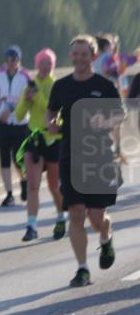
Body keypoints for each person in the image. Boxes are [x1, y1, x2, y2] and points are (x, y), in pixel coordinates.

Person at [46, 35, 125, 287]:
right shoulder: (61, 86)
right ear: (71, 56)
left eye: (84, 54)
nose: (79, 59)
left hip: (99, 155)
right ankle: (82, 269)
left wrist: (106, 121)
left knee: (96, 218)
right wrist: (51, 123)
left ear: (93, 56)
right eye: (75, 54)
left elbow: (120, 113)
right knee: (76, 213)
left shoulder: (104, 85)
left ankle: (105, 237)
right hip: (70, 156)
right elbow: (52, 110)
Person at [14, 48, 65, 241]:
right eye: (42, 63)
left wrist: (37, 97)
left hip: (53, 138)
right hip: (34, 138)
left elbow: (53, 110)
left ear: (53, 65)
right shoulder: (31, 85)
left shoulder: (57, 86)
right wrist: (26, 100)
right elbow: (19, 115)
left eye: (49, 64)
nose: (45, 67)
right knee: (32, 184)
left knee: (54, 186)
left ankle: (61, 217)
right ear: (37, 65)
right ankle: (31, 226)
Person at [0, 45, 32, 206]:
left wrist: (12, 108)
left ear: (19, 60)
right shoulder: (0, 73)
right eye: (8, 59)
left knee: (18, 157)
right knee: (4, 157)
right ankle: (9, 194)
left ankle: (24, 181)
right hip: (1, 121)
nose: (11, 63)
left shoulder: (25, 76)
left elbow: (30, 95)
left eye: (14, 59)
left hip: (19, 121)